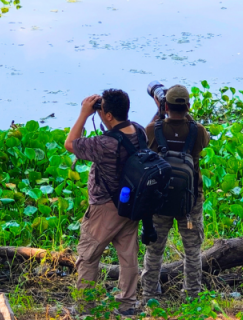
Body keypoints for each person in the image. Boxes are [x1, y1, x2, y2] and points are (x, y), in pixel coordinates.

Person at [64, 89, 144, 316]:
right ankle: (127, 304)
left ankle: (85, 307)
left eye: (102, 111)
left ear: (108, 115)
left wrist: (83, 113)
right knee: (128, 255)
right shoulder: (138, 131)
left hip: (104, 208)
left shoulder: (105, 143)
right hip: (130, 204)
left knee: (88, 256)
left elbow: (71, 144)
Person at [141, 85, 210, 302]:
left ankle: (150, 295)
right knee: (192, 252)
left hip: (159, 201)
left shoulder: (153, 130)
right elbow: (204, 142)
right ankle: (191, 296)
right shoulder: (198, 131)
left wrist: (160, 112)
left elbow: (143, 142)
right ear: (188, 106)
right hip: (190, 202)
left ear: (166, 105)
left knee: (154, 251)